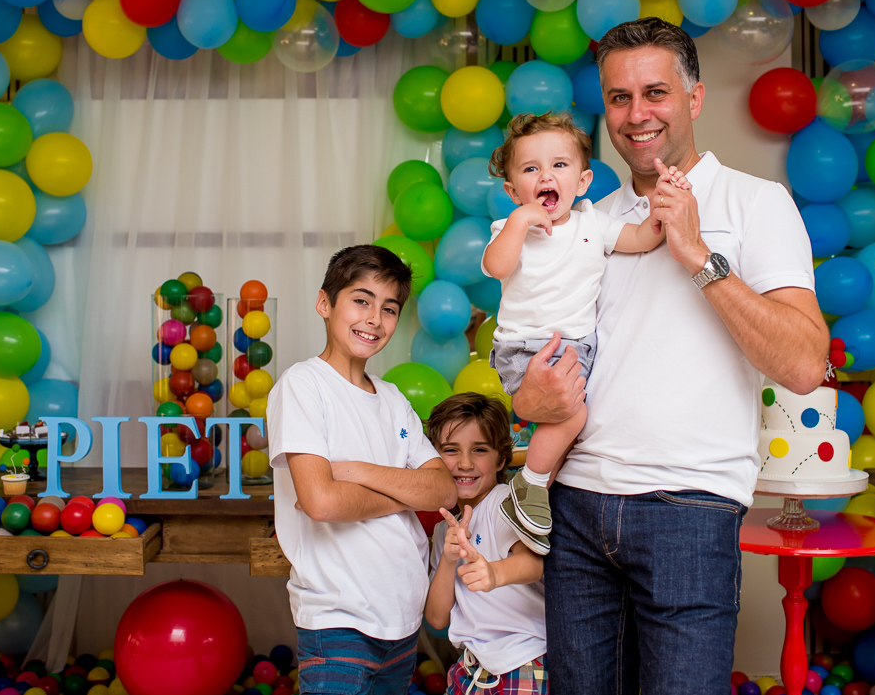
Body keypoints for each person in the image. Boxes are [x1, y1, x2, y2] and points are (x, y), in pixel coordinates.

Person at [512, 18, 829, 694]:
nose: (637, 114)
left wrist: (698, 255)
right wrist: (526, 398)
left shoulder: (756, 202)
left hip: (689, 509)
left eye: (655, 92)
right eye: (619, 97)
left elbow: (804, 365)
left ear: (695, 97)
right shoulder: (588, 219)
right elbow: (538, 350)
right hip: (577, 508)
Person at [481, 112, 690, 552]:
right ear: (513, 191)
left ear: (582, 181)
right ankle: (528, 485)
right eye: (531, 169)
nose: (546, 176)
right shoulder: (509, 229)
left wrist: (659, 210)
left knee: (574, 422)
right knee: (572, 415)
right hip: (527, 347)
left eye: (559, 165)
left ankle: (534, 499)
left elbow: (641, 238)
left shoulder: (593, 223)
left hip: (577, 347)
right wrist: (519, 222)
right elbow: (497, 266)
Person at [266, 244, 458, 694]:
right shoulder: (303, 385)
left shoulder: (393, 398)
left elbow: (444, 491)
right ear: (324, 303)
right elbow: (322, 503)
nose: (374, 318)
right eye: (361, 300)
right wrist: (405, 495)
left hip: (403, 620)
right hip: (338, 620)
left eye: (389, 309)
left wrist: (356, 471)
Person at [425, 393, 548, 695]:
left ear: (501, 459)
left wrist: (493, 572)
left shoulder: (503, 503)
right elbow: (437, 618)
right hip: (473, 666)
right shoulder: (444, 529)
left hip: (523, 659)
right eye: (450, 450)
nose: (465, 463)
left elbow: (532, 563)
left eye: (479, 450)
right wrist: (448, 559)